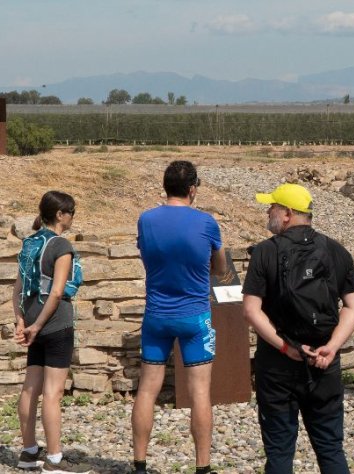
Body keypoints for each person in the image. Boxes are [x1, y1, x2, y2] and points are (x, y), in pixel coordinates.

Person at [242, 183, 354, 472]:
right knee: (331, 448)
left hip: (277, 362)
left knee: (280, 453)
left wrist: (285, 346)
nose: (267, 211)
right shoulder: (337, 251)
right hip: (324, 362)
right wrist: (332, 347)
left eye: (271, 207)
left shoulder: (264, 252)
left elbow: (250, 309)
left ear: (286, 214)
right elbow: (353, 306)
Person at [132, 161, 227, 474]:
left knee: (147, 389)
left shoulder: (146, 220)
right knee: (200, 392)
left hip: (157, 314)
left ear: (165, 186)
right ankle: (202, 466)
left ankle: (140, 463)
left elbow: (146, 255)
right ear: (192, 189)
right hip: (194, 315)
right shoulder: (207, 222)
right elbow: (221, 268)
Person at [14, 191, 91, 473]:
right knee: (53, 392)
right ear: (60, 215)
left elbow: (17, 288)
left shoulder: (29, 243)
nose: (73, 217)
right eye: (71, 212)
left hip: (33, 320)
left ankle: (28, 452)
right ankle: (55, 459)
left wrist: (21, 321)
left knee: (30, 387)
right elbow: (57, 292)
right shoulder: (61, 245)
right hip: (55, 323)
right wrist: (37, 325)